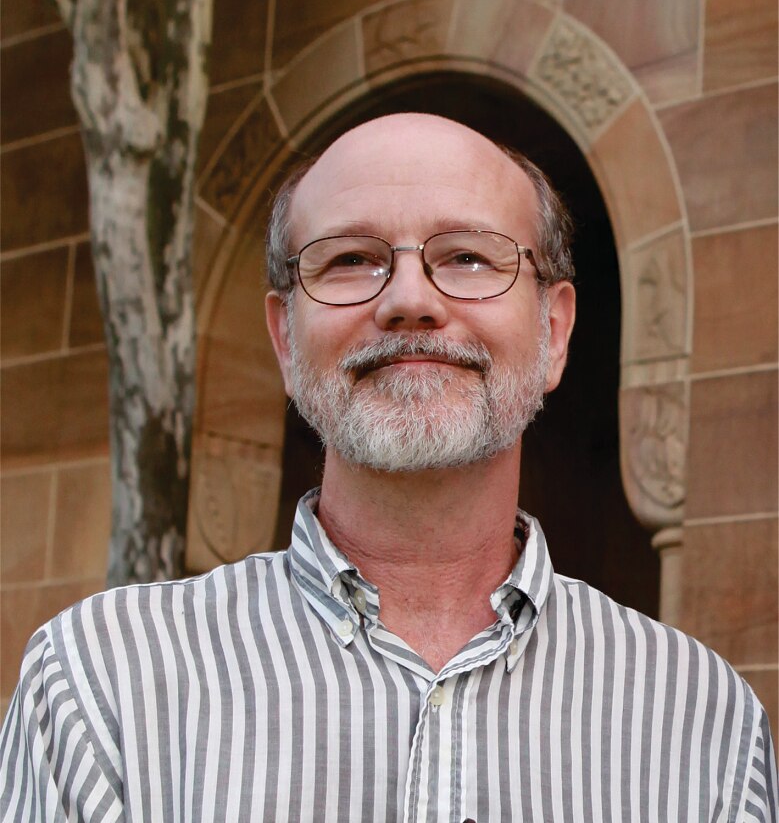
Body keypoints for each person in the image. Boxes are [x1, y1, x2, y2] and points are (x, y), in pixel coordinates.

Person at [0, 113, 775, 822]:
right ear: (283, 337)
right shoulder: (99, 685)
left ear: (555, 330)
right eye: (350, 260)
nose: (409, 299)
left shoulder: (701, 721)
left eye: (468, 257)